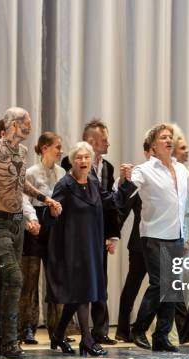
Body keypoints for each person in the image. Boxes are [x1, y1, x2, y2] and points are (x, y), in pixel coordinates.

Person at [0, 107, 61, 359]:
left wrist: (43, 198)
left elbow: (19, 183)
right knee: (14, 279)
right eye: (25, 121)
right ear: (14, 125)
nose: (29, 125)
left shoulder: (23, 151)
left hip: (17, 223)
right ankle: (9, 342)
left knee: (3, 281)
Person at [130, 124, 189, 352]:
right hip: (153, 234)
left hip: (176, 235)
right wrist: (124, 180)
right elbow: (130, 186)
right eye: (163, 137)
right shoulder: (144, 169)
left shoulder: (180, 169)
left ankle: (161, 336)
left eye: (171, 137)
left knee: (172, 287)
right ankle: (138, 328)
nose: (169, 140)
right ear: (154, 146)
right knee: (160, 284)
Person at [47, 142, 135, 356]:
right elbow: (52, 213)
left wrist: (125, 182)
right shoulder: (65, 185)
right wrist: (53, 212)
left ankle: (58, 335)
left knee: (81, 293)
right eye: (79, 157)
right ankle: (86, 339)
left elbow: (112, 202)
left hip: (92, 246)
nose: (83, 161)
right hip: (71, 247)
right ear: (72, 161)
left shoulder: (94, 183)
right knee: (82, 292)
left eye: (87, 157)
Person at [61, 119, 119, 345]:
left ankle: (99, 330)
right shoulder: (70, 168)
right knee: (81, 287)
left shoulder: (108, 168)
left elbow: (109, 204)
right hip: (78, 235)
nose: (108, 143)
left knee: (99, 282)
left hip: (98, 233)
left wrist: (111, 234)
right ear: (91, 141)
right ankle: (78, 334)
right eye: (104, 139)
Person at [19, 132, 65, 344]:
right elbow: (25, 200)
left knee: (55, 278)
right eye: (57, 146)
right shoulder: (30, 172)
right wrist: (32, 221)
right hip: (36, 225)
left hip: (53, 225)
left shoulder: (62, 172)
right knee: (30, 278)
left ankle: (58, 327)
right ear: (45, 148)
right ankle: (27, 327)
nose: (61, 150)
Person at [115, 139, 151, 342]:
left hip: (160, 240)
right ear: (146, 153)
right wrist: (113, 234)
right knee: (133, 285)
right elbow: (124, 209)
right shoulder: (139, 178)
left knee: (163, 285)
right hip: (139, 243)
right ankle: (122, 328)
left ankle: (142, 327)